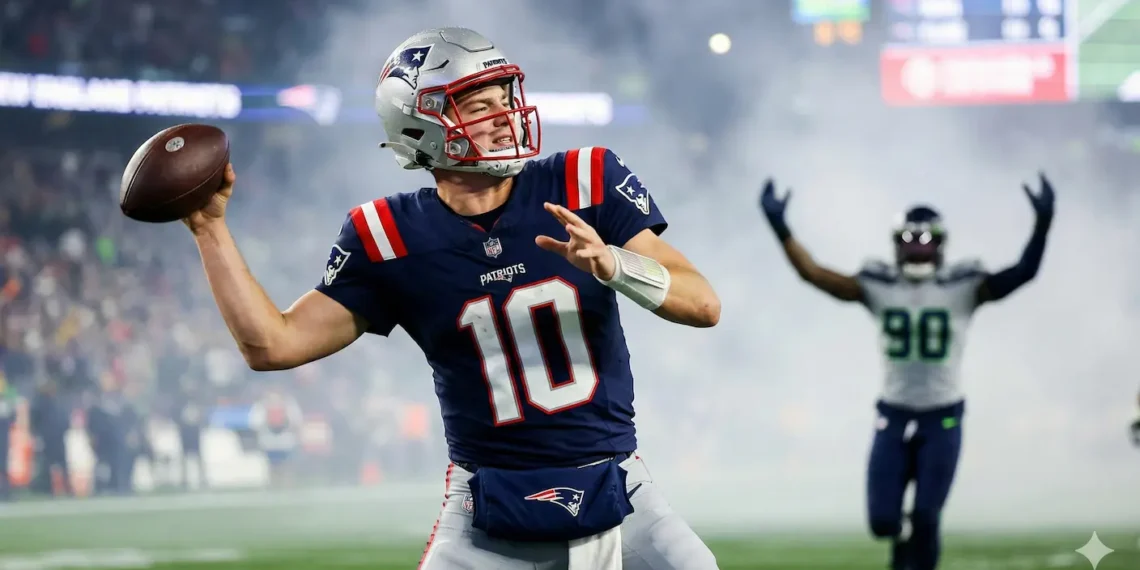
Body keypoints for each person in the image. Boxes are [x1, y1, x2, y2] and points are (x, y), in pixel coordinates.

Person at [180, 27, 721, 570]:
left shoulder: (586, 179)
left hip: (619, 488)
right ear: (421, 124)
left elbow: (703, 304)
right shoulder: (386, 234)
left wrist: (615, 264)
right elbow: (272, 345)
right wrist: (209, 229)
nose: (503, 115)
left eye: (504, 99)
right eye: (479, 105)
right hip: (485, 506)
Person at [758, 175, 1054, 570]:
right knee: (883, 522)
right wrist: (781, 229)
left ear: (940, 243)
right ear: (897, 242)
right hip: (894, 413)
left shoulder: (963, 284)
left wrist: (1042, 225)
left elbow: (1022, 273)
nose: (917, 248)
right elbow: (814, 274)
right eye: (910, 240)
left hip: (943, 414)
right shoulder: (879, 283)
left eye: (925, 240)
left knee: (927, 517)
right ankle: (902, 551)